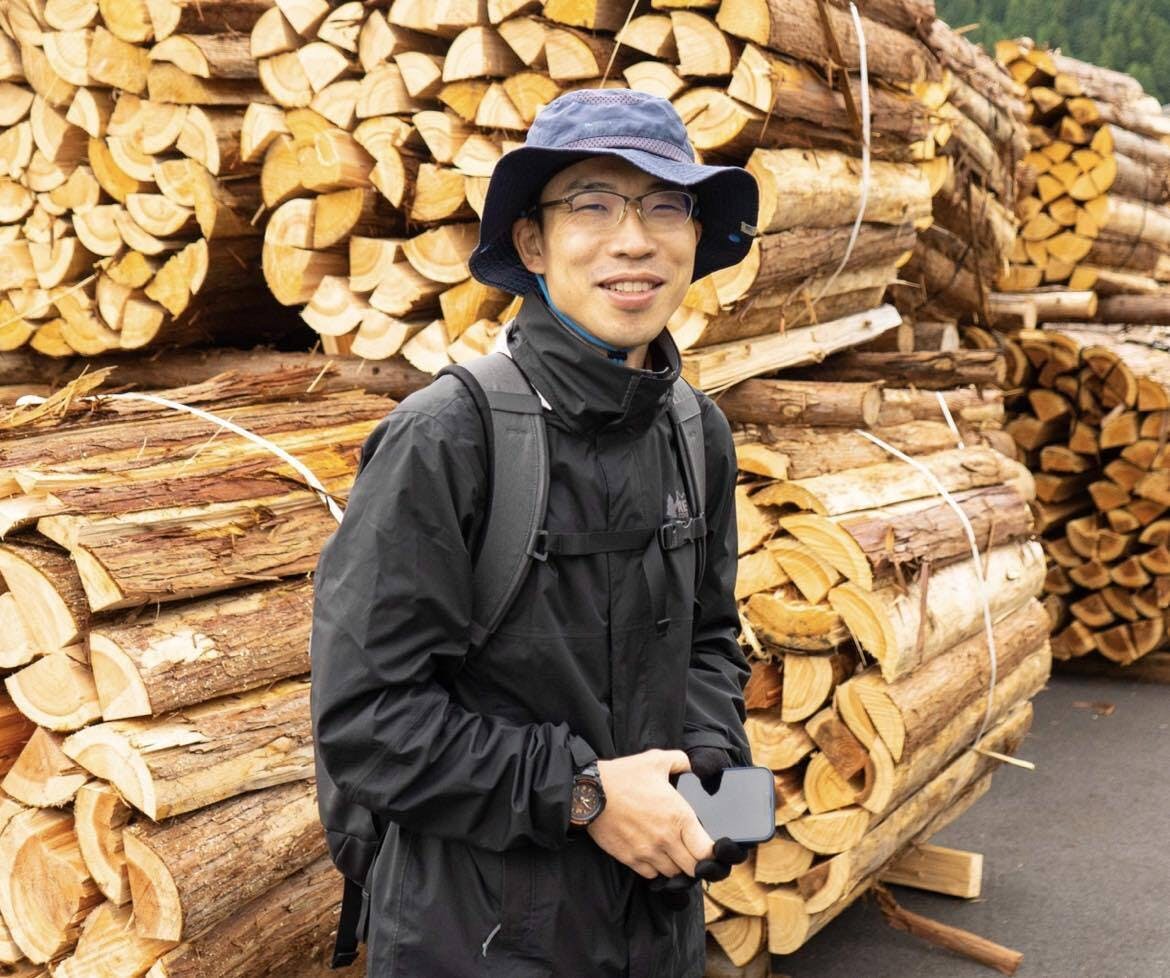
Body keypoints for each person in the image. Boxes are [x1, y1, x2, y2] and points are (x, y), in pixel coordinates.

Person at [310, 88, 760, 978]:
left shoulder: (694, 430)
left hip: (656, 929)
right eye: (592, 205)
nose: (634, 240)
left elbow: (709, 640)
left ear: (695, 237)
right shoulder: (448, 438)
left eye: (665, 206)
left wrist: (711, 782)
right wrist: (585, 794)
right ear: (532, 244)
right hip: (474, 938)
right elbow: (367, 723)